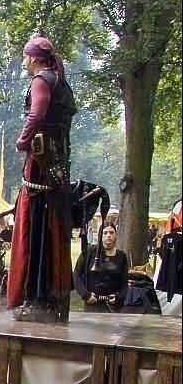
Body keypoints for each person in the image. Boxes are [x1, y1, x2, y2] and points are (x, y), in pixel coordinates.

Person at [7, 35, 77, 322]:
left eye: (25, 56)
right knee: (48, 228)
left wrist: (22, 141)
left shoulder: (41, 81)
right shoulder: (61, 82)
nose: (23, 61)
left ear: (34, 58)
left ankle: (37, 299)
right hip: (57, 164)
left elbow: (36, 114)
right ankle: (47, 297)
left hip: (41, 165)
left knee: (35, 228)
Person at [74, 223, 129, 312]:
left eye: (111, 232)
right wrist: (85, 295)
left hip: (114, 307)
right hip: (92, 304)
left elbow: (125, 282)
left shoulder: (121, 256)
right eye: (105, 233)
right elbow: (76, 275)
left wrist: (119, 297)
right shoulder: (89, 253)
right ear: (100, 235)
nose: (108, 235)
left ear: (115, 235)